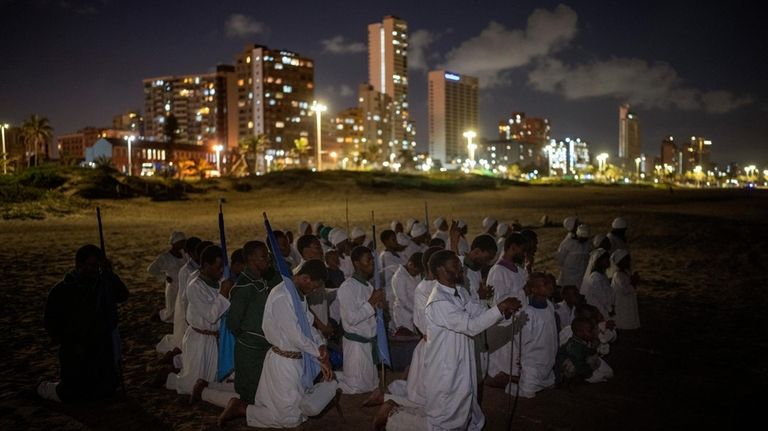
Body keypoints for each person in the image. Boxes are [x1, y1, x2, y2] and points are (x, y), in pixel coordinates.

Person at [374, 250, 521, 430]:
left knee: (463, 406)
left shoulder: (459, 291)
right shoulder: (438, 302)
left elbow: (476, 312)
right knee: (444, 419)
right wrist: (500, 308)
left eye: (459, 266)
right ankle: (392, 416)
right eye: (454, 267)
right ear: (439, 270)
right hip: (446, 366)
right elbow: (471, 326)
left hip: (461, 360)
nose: (460, 269)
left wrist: (502, 312)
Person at [218, 260, 335, 428]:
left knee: (300, 414)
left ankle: (249, 408)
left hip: (297, 362)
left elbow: (308, 326)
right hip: (283, 362)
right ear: (306, 278)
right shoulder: (282, 296)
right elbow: (295, 336)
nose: (314, 290)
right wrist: (319, 355)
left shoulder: (298, 296)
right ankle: (242, 408)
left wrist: (321, 346)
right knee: (289, 420)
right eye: (314, 286)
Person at [38, 245, 129, 403]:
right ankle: (45, 389)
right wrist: (70, 342)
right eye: (92, 265)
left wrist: (109, 273)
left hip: (101, 346)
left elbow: (122, 295)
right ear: (79, 265)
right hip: (76, 348)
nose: (96, 269)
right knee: (74, 394)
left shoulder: (103, 284)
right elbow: (51, 323)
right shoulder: (63, 290)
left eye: (99, 265)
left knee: (106, 389)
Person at [165, 245, 233, 395]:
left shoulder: (221, 281)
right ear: (206, 266)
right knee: (190, 386)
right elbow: (211, 315)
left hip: (214, 340)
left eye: (223, 266)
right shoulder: (195, 286)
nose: (222, 270)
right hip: (199, 340)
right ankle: (168, 377)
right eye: (218, 267)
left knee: (211, 383)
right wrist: (223, 294)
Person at [220, 241, 281, 405]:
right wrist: (250, 336)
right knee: (250, 396)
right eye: (263, 257)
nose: (267, 260)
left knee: (264, 392)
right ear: (251, 259)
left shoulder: (263, 280)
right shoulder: (243, 287)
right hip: (250, 348)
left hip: (264, 345)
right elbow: (233, 322)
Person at [336, 246, 385, 394]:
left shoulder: (369, 286)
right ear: (357, 263)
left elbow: (372, 316)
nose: (372, 264)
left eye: (372, 260)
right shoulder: (347, 287)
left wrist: (380, 308)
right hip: (356, 346)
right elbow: (351, 319)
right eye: (368, 260)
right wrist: (371, 302)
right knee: (355, 388)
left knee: (371, 386)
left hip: (369, 344)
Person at [505, 273, 559, 399]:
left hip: (549, 358)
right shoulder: (528, 312)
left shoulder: (550, 306)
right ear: (534, 289)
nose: (550, 286)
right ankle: (510, 386)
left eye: (549, 283)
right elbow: (521, 339)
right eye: (545, 284)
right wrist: (521, 357)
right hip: (532, 362)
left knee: (549, 382)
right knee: (528, 393)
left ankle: (541, 381)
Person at [486, 233, 529, 384]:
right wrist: (524, 292)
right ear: (512, 248)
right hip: (505, 328)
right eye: (522, 250)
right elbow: (497, 302)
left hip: (518, 325)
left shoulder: (519, 270)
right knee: (502, 367)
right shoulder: (498, 271)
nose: (524, 254)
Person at [147, 231, 187, 323]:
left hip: (183, 286)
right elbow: (151, 269)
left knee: (181, 310)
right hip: (172, 287)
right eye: (181, 242)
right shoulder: (165, 257)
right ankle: (159, 314)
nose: (183, 244)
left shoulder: (185, 255)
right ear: (174, 243)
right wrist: (165, 277)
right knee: (171, 312)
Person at [554, 317, 601, 386]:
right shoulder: (574, 345)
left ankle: (581, 375)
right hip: (561, 370)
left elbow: (587, 352)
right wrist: (588, 373)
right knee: (575, 365)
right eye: (590, 331)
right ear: (580, 333)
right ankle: (568, 380)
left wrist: (593, 348)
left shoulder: (583, 342)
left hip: (577, 363)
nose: (593, 333)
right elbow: (578, 362)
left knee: (596, 360)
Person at [391, 252, 424, 335]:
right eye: (416, 271)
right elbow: (403, 300)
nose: (417, 274)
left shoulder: (413, 274)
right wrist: (418, 311)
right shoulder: (399, 276)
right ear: (410, 264)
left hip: (413, 312)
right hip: (403, 315)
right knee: (408, 340)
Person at [611, 249, 641, 329]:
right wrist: (634, 281)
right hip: (622, 303)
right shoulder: (618, 275)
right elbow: (625, 290)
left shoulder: (627, 272)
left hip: (628, 302)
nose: (628, 262)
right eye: (625, 260)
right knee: (623, 321)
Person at [582, 248, 614, 322]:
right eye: (605, 259)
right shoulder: (595, 277)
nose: (608, 261)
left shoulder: (602, 275)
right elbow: (601, 296)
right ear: (598, 261)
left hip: (604, 309)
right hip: (600, 310)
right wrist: (610, 309)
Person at [556, 222, 592, 287]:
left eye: (585, 239)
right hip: (568, 277)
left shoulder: (587, 245)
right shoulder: (567, 243)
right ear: (578, 235)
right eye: (582, 238)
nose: (583, 240)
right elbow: (560, 259)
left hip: (581, 277)